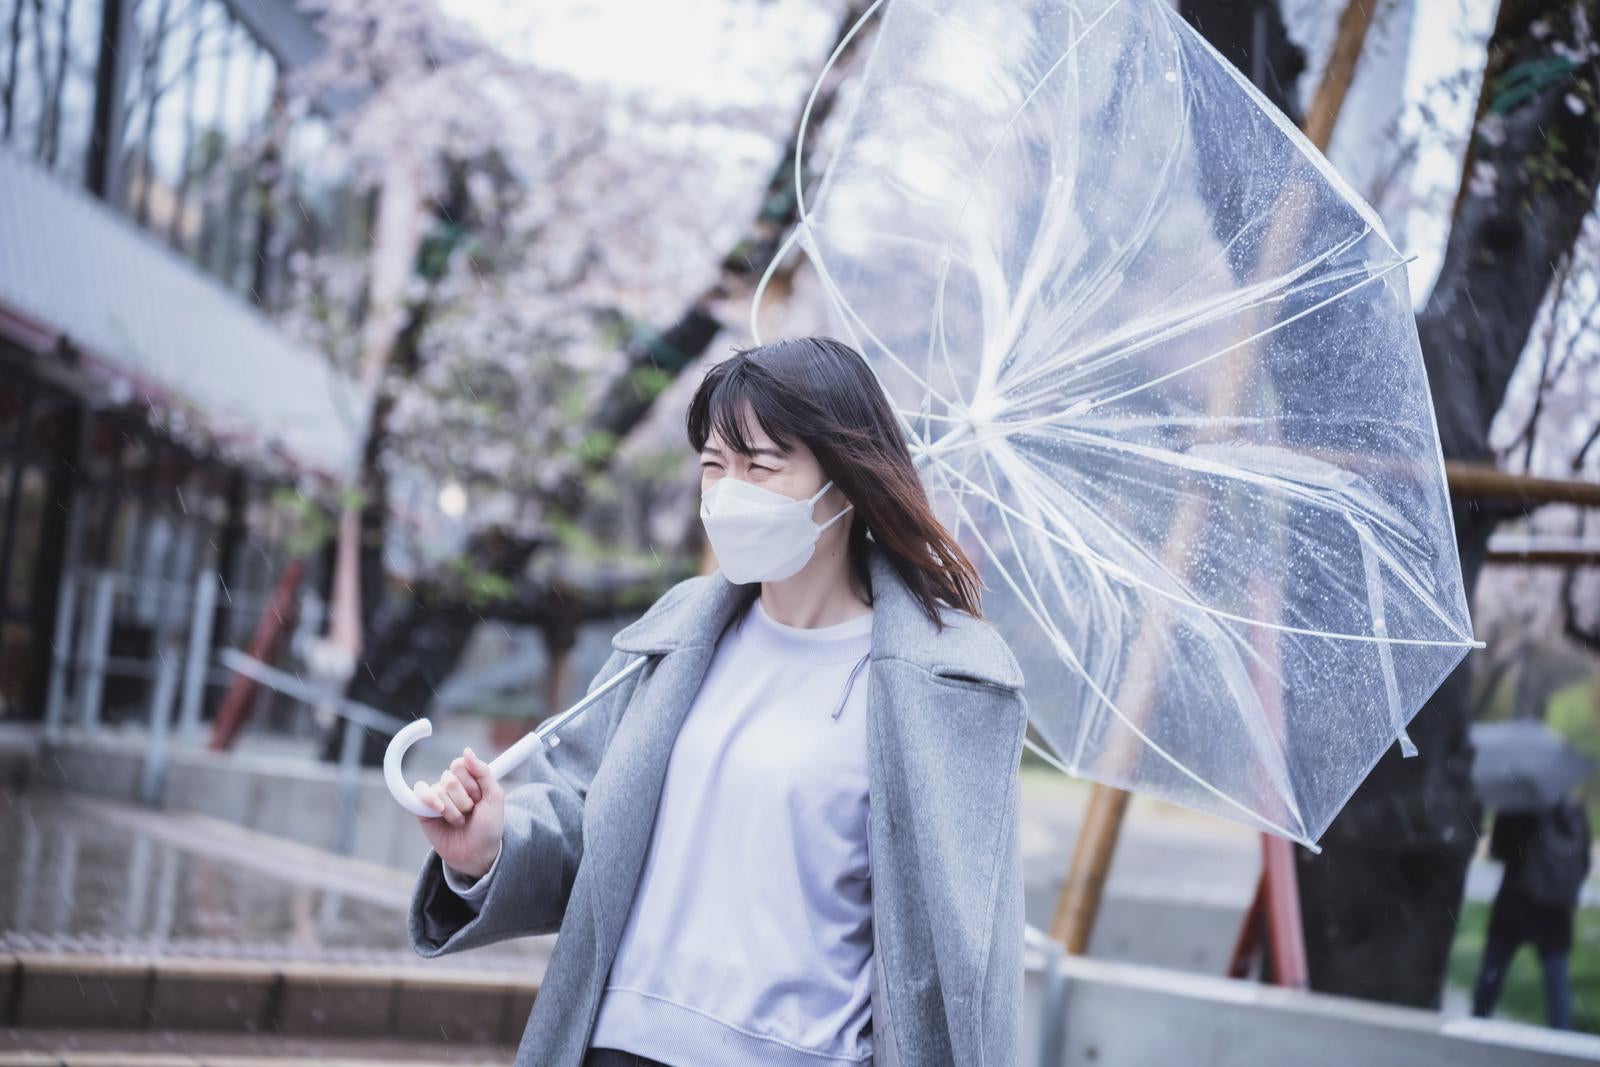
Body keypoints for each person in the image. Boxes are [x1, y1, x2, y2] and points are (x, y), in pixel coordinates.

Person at [405, 336, 1030, 1067]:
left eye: (760, 465)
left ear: (847, 483)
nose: (729, 491)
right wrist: (491, 847)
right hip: (613, 1047)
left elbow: (966, 955)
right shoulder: (674, 640)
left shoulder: (941, 686)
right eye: (713, 466)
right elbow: (589, 820)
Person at [1471, 795, 1592, 1029]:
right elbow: (1583, 863)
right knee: (1557, 981)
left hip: (1516, 903)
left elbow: (1499, 849)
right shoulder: (1574, 811)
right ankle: (1562, 1036)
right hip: (1557, 911)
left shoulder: (1519, 806)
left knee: (1493, 970)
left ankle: (1477, 1026)